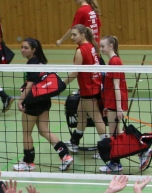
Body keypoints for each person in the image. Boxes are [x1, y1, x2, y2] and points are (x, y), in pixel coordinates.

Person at [14, 38, 74, 172]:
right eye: (22, 47)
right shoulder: (41, 61)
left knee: (26, 133)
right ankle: (65, 155)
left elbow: (30, 86)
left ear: (33, 50)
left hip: (33, 102)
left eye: (26, 48)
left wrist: (20, 100)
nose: (22, 50)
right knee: (43, 130)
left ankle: (28, 162)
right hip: (45, 100)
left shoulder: (31, 64)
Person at [65, 25, 106, 154]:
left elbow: (74, 73)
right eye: (71, 34)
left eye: (74, 35)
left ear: (83, 35)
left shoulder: (80, 50)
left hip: (89, 89)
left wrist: (61, 84)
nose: (72, 37)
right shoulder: (92, 46)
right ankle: (75, 142)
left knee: (97, 118)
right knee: (81, 114)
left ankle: (106, 149)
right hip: (93, 86)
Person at [99, 35, 136, 173]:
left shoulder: (115, 62)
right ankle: (142, 148)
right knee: (118, 133)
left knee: (113, 135)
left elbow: (117, 86)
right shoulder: (113, 61)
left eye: (102, 46)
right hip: (111, 102)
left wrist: (118, 108)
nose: (100, 49)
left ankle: (116, 163)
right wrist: (107, 105)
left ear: (110, 46)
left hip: (115, 103)